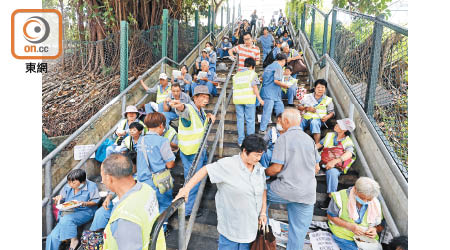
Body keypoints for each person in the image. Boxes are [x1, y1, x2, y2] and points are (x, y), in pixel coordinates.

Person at [174, 134, 268, 249]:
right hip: (231, 230)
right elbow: (205, 169)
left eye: (261, 155)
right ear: (245, 151)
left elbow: (263, 190)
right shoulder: (228, 165)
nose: (258, 158)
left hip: (250, 230)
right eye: (256, 155)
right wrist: (186, 188)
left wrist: (263, 212)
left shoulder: (258, 168)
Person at [265, 109, 320, 250]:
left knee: (261, 193)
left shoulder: (283, 138)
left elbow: (276, 168)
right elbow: (317, 168)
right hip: (308, 193)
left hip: (286, 190)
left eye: (281, 120)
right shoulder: (309, 139)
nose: (280, 123)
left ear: (286, 122)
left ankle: (262, 226)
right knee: (298, 233)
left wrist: (263, 172)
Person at [101, 154, 166, 250]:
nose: (102, 180)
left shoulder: (125, 217)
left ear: (108, 178)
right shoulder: (146, 188)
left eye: (101, 176)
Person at [169, 85, 216, 216]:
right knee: (192, 182)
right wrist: (179, 106)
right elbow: (183, 111)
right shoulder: (189, 109)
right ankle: (187, 211)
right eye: (203, 97)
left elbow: (201, 122)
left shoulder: (200, 111)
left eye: (207, 97)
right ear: (194, 98)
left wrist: (209, 116)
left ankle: (189, 206)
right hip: (192, 153)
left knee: (194, 178)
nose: (206, 100)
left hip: (198, 150)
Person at [46, 169, 100, 250]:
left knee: (66, 219)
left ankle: (73, 240)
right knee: (52, 237)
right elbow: (62, 198)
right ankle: (66, 237)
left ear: (82, 182)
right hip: (68, 212)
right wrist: (59, 198)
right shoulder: (68, 186)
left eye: (73, 183)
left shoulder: (92, 186)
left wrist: (84, 203)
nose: (70, 184)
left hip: (85, 211)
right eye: (69, 182)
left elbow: (95, 201)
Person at [136, 112, 176, 223]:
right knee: (164, 206)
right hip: (159, 182)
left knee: (149, 207)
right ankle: (162, 230)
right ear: (161, 125)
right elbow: (170, 164)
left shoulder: (141, 140)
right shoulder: (162, 141)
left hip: (143, 181)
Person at [327, 177, 384, 250]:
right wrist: (350, 226)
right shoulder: (340, 197)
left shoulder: (375, 203)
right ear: (355, 190)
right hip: (344, 235)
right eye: (362, 198)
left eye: (369, 199)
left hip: (367, 239)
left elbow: (381, 225)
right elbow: (330, 216)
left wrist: (374, 229)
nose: (366, 202)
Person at [317, 118, 357, 202]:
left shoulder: (347, 141)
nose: (336, 125)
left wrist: (334, 161)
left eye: (339, 125)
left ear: (344, 130)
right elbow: (319, 145)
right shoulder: (330, 135)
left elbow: (349, 154)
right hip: (322, 160)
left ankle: (331, 198)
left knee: (332, 173)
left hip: (336, 166)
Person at [232, 57, 264, 146]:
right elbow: (255, 88)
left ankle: (241, 141)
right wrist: (260, 99)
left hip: (238, 99)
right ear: (253, 66)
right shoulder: (252, 74)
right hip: (249, 99)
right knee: (250, 120)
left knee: (240, 120)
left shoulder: (236, 75)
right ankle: (250, 141)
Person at [259, 53, 289, 134]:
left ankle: (280, 126)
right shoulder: (279, 67)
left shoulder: (268, 66)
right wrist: (286, 86)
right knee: (268, 111)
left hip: (271, 92)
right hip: (270, 93)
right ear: (283, 61)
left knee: (280, 108)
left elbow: (262, 78)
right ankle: (262, 129)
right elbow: (276, 81)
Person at [298, 79, 335, 144]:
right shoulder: (307, 96)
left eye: (322, 87)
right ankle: (298, 142)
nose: (320, 89)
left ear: (325, 89)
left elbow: (332, 112)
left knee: (314, 123)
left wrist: (327, 117)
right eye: (318, 87)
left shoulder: (328, 99)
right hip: (306, 118)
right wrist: (306, 108)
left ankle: (317, 144)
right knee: (298, 124)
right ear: (314, 88)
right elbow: (299, 107)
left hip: (319, 120)